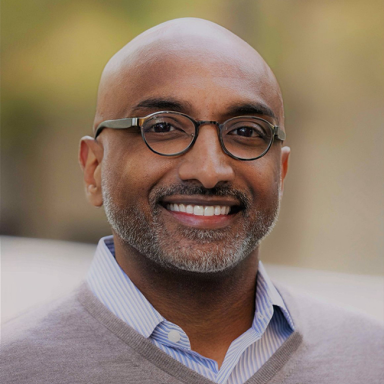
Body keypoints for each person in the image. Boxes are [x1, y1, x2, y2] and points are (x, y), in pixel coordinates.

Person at [1, 18, 383, 384]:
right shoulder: (14, 368)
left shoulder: (370, 359)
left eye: (246, 131)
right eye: (163, 128)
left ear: (280, 173)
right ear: (94, 169)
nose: (209, 170)